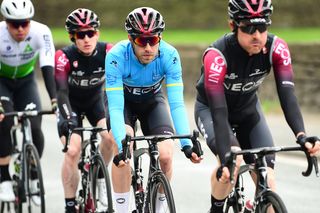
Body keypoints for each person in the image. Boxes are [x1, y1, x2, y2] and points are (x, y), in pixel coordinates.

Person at [194, 0, 320, 212]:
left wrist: (302, 135)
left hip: (248, 112)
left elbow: (288, 95)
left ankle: (258, 204)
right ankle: (216, 208)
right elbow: (218, 109)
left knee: (268, 182)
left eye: (262, 27)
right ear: (233, 26)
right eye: (249, 28)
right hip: (212, 110)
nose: (257, 35)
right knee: (231, 168)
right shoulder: (216, 55)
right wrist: (226, 155)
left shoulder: (277, 48)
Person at [105, 6, 202, 213]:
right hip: (124, 104)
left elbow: (176, 104)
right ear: (131, 39)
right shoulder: (115, 56)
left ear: (160, 38)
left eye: (153, 40)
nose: (148, 47)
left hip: (152, 102)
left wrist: (186, 145)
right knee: (123, 144)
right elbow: (115, 106)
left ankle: (158, 209)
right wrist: (122, 148)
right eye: (142, 41)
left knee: (166, 155)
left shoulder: (170, 55)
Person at [54, 8, 114, 213]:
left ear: (97, 33)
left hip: (95, 103)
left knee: (110, 137)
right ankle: (70, 204)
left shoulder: (108, 51)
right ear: (73, 37)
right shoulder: (63, 56)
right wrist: (67, 119)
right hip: (70, 105)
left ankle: (99, 175)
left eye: (91, 33)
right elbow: (61, 92)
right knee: (72, 150)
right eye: (81, 35)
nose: (87, 39)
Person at [0, 0, 57, 204]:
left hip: (26, 82)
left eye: (25, 23)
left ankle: (33, 171)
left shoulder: (41, 32)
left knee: (35, 126)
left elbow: (48, 67)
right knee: (4, 121)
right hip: (2, 82)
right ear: (6, 22)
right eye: (15, 24)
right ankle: (4, 177)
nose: (21, 29)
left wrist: (54, 100)